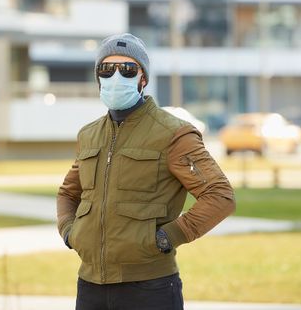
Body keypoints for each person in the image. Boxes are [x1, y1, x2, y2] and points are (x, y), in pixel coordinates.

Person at [57, 33, 236, 310]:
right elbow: (68, 193)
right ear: (98, 78)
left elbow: (220, 195)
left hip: (149, 288)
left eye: (127, 69)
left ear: (143, 78)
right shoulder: (89, 135)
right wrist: (70, 232)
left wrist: (168, 237)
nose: (116, 76)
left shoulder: (173, 133)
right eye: (107, 69)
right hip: (90, 285)